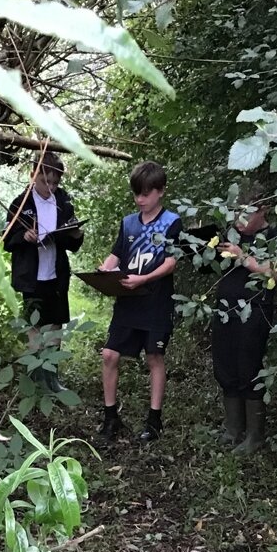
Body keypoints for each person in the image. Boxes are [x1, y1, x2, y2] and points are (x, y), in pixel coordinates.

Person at [98, 161, 181, 442]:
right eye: (136, 193)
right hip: (127, 300)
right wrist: (104, 271)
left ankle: (154, 421)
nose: (140, 199)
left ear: (160, 192)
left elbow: (171, 263)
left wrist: (143, 279)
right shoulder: (129, 223)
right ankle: (111, 417)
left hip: (156, 302)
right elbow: (116, 255)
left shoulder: (172, 222)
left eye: (146, 193)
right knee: (109, 354)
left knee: (154, 357)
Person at [2, 151, 83, 392]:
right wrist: (24, 236)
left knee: (56, 325)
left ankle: (53, 378)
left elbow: (73, 238)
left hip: (56, 275)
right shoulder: (20, 203)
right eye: (46, 182)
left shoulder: (63, 201)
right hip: (31, 277)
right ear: (33, 176)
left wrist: (76, 234)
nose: (51, 187)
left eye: (56, 182)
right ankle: (36, 380)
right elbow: (7, 239)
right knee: (35, 328)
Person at [212, 195, 277, 454]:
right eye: (234, 213)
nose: (237, 220)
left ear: (262, 210)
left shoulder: (274, 235)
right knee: (225, 365)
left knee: (248, 367)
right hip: (225, 308)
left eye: (244, 214)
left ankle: (254, 436)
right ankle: (233, 429)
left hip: (255, 310)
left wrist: (243, 257)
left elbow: (274, 272)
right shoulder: (232, 235)